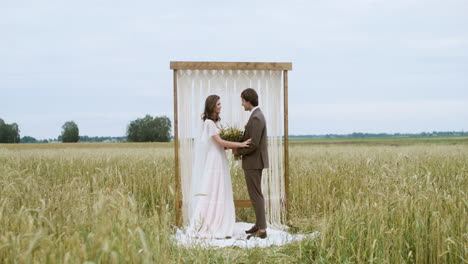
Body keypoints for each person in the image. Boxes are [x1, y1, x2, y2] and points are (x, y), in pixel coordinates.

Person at [186, 94, 251, 239]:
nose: (221, 106)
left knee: (219, 188)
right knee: (213, 188)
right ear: (212, 106)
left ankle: (220, 220)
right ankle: (209, 222)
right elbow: (220, 142)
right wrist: (240, 144)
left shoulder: (214, 123)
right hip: (214, 159)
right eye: (219, 104)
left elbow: (221, 144)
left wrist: (232, 145)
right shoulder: (209, 123)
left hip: (219, 157)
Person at [232, 88, 269, 239]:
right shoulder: (256, 115)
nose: (241, 104)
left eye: (242, 101)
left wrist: (238, 151)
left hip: (254, 162)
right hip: (254, 162)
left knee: (256, 195)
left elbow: (253, 144)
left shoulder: (256, 117)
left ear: (248, 101)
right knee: (255, 194)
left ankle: (262, 229)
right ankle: (259, 224)